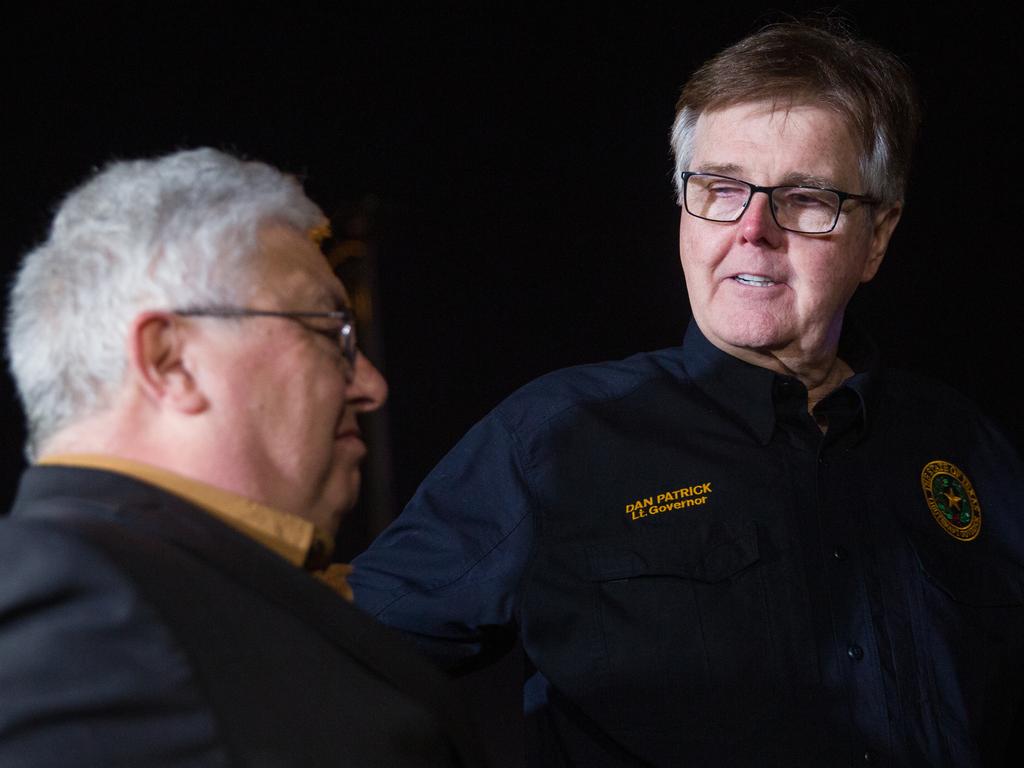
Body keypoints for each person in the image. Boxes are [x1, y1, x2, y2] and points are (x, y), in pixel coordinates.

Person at [349, 22, 1024, 767]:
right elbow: (337, 660)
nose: (753, 230)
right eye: (722, 189)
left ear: (877, 237)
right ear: (682, 208)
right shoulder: (556, 437)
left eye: (804, 198)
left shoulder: (966, 448)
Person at [0, 148, 481, 767]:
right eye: (333, 332)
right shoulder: (72, 597)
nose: (371, 385)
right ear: (171, 361)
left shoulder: (210, 589)